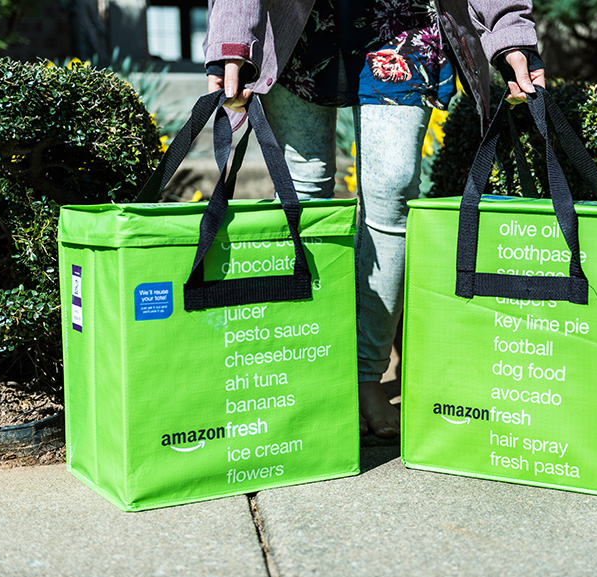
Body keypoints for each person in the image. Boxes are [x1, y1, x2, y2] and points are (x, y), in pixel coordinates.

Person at [203, 0, 545, 438]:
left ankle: (367, 373)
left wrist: (510, 30)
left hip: (401, 20)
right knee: (301, 195)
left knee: (393, 189)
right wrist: (233, 33)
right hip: (301, 21)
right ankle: (306, 367)